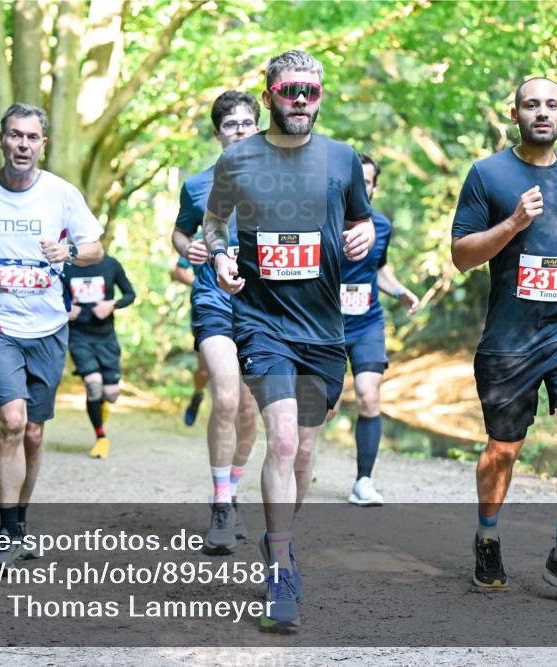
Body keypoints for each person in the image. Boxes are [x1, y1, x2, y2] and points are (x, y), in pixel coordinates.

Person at [206, 51, 375, 629]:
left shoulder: (343, 159)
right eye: (289, 90)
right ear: (270, 94)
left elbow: (362, 218)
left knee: (303, 450)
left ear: (321, 95)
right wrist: (225, 258)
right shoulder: (238, 159)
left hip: (324, 331)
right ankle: (280, 571)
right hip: (263, 323)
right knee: (280, 441)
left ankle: (281, 538)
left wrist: (363, 235)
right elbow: (212, 221)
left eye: (310, 90)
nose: (300, 99)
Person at [451, 77, 557, 601]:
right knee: (504, 450)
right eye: (532, 105)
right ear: (515, 114)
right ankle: (487, 538)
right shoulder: (487, 174)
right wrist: (513, 223)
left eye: (551, 105)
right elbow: (462, 255)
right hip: (511, 336)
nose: (541, 113)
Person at [0, 102, 104, 566]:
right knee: (11, 421)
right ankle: (6, 531)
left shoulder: (61, 193)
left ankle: (21, 522)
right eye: (15, 135)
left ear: (42, 145)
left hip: (49, 324)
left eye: (32, 137)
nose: (22, 144)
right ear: (1, 139)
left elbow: (95, 248)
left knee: (34, 431)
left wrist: (70, 249)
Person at [172, 90, 262, 554]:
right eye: (232, 124)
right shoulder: (197, 185)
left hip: (262, 307)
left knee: (249, 410)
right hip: (212, 299)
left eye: (248, 122)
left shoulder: (277, 181)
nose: (241, 130)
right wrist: (185, 248)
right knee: (225, 396)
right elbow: (181, 230)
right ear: (218, 132)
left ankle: (234, 487)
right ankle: (221, 505)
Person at [338, 153, 421, 506]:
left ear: (374, 186)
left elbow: (379, 270)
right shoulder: (324, 222)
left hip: (367, 322)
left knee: (368, 395)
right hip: (325, 323)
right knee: (321, 408)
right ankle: (295, 466)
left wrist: (400, 292)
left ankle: (363, 481)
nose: (362, 187)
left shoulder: (382, 227)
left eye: (367, 182)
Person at [62, 254, 136, 459]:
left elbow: (130, 294)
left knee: (110, 394)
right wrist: (65, 309)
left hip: (106, 338)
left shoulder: (111, 265)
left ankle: (100, 405)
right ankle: (101, 437)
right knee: (93, 385)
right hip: (78, 337)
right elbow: (51, 297)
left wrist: (112, 305)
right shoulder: (65, 266)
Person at [171, 255, 210, 426]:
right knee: (204, 371)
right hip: (206, 313)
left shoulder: (247, 233)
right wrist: (202, 285)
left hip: (241, 312)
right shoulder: (200, 238)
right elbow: (178, 271)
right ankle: (198, 394)